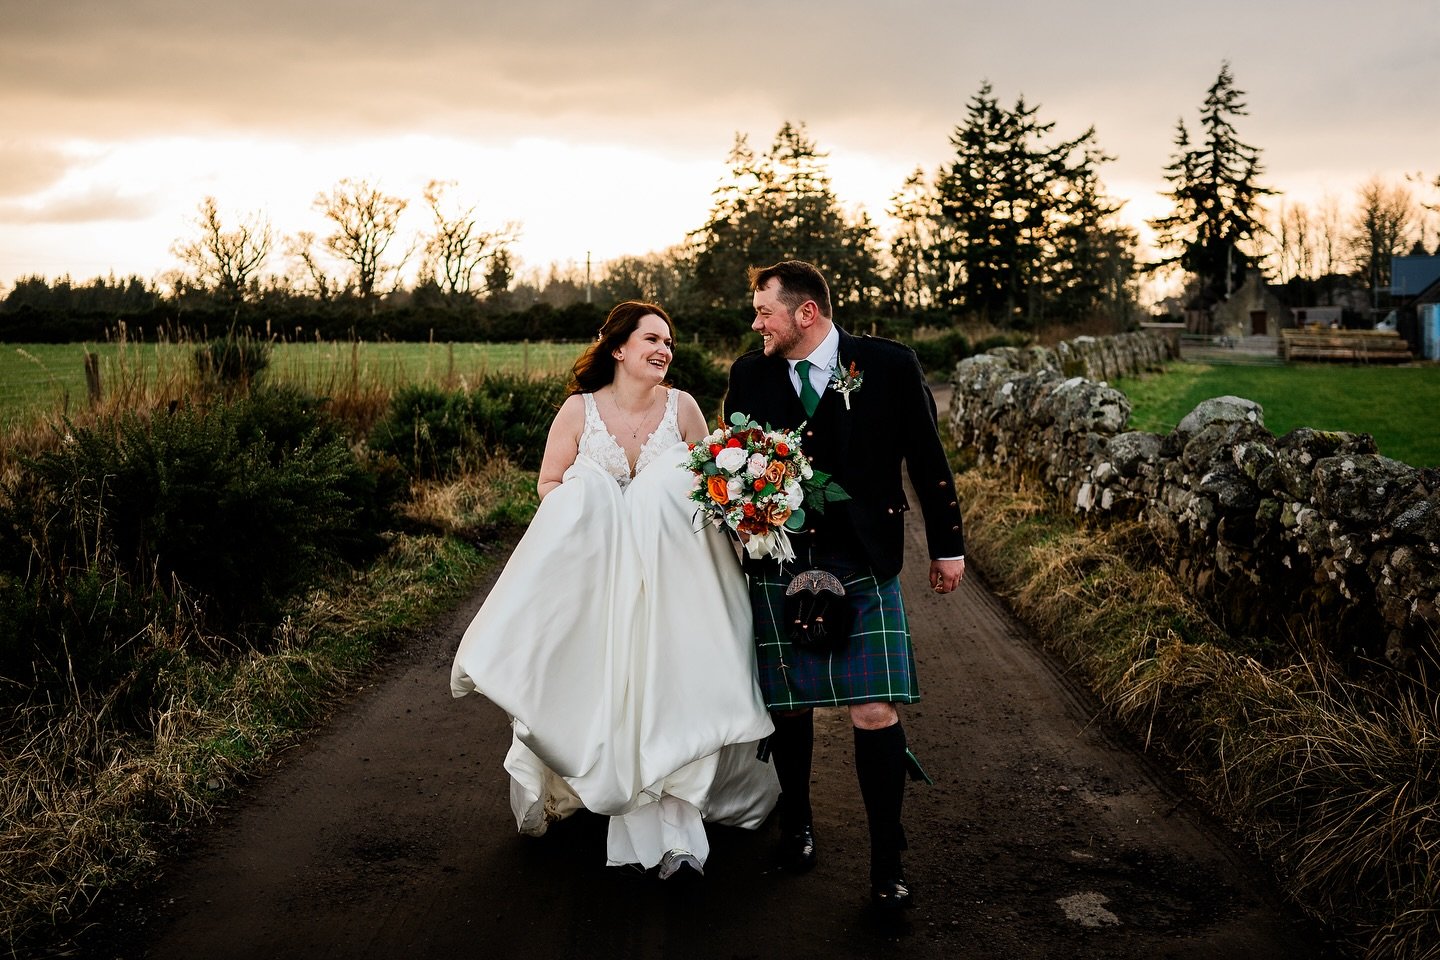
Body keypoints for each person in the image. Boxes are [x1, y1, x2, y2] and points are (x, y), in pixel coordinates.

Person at [451, 301, 779, 879]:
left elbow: (710, 488)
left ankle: (676, 807)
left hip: (675, 582)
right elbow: (549, 483)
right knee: (603, 683)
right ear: (619, 348)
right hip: (599, 576)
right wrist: (592, 508)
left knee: (672, 686)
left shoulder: (684, 408)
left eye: (670, 343)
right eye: (652, 339)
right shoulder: (579, 412)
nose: (664, 351)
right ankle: (597, 782)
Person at [723, 261, 965, 910]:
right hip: (780, 559)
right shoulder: (750, 374)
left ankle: (888, 860)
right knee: (790, 706)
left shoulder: (885, 365)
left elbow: (927, 458)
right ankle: (797, 821)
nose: (756, 324)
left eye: (764, 312)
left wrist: (948, 545)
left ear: (806, 313)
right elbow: (736, 469)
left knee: (874, 708)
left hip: (864, 557)